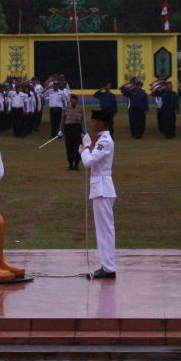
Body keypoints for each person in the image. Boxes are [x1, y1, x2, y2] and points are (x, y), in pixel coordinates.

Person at [80, 110, 117, 280]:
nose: (92, 123)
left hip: (102, 187)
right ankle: (106, 265)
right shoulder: (101, 139)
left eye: (94, 121)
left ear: (102, 123)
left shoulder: (104, 141)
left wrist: (85, 149)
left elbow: (89, 162)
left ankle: (108, 267)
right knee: (103, 229)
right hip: (101, 187)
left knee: (105, 229)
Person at [61, 94, 85, 170]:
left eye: (73, 99)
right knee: (69, 146)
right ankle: (70, 164)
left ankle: (76, 164)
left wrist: (83, 131)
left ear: (76, 100)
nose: (71, 101)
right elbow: (63, 120)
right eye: (71, 99)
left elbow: (82, 121)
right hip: (68, 128)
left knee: (77, 146)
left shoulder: (80, 109)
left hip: (77, 128)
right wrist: (61, 130)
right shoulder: (66, 108)